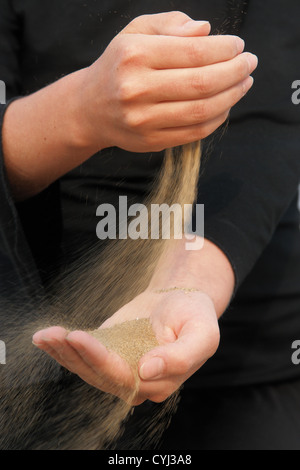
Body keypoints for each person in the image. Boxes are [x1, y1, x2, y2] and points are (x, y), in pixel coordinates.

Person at [0, 0, 299, 450]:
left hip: (244, 360)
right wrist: (80, 112)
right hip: (38, 333)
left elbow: (269, 122)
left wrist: (184, 286)